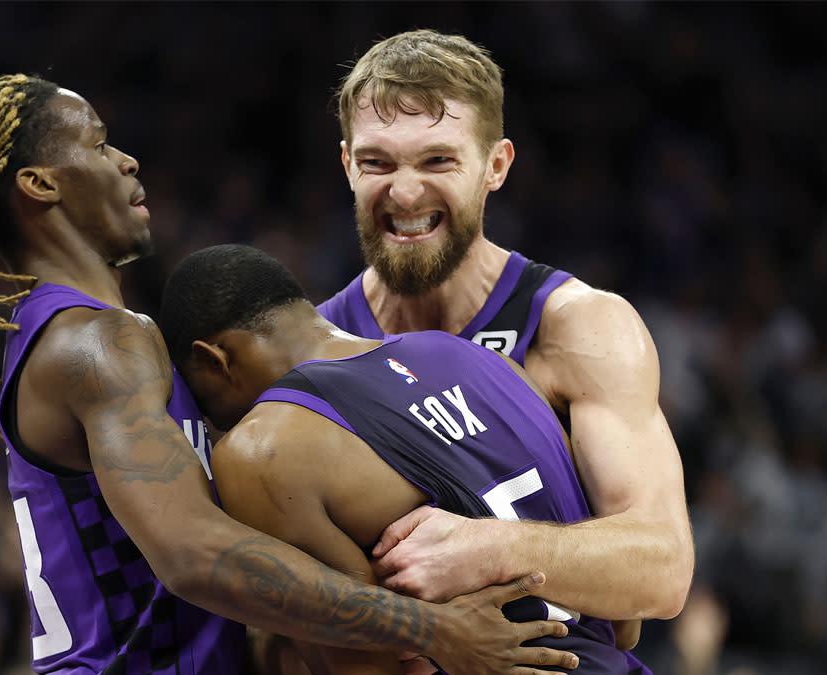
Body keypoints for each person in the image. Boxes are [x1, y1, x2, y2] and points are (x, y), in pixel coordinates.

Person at [0, 74, 575, 674]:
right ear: (39, 184)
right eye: (97, 144)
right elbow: (193, 555)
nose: (125, 159)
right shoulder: (96, 342)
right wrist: (434, 627)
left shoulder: (83, 336)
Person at [318, 29, 695, 629]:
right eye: (376, 162)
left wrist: (491, 549)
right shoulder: (314, 354)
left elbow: (664, 567)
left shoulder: (577, 326)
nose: (405, 189)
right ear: (347, 165)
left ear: (496, 165)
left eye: (438, 159)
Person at [160, 243, 651, 674]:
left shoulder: (258, 449)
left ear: (212, 361)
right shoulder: (485, 360)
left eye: (205, 405)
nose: (219, 423)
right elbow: (626, 625)